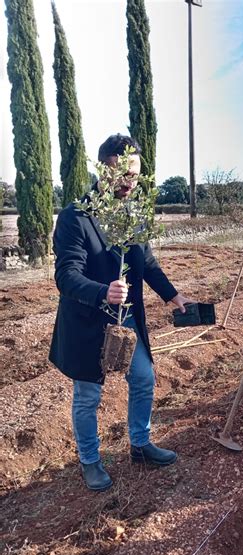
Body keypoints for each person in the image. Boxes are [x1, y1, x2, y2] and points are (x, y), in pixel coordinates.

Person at [49, 134, 190, 491]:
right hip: (88, 318)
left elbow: (149, 263)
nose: (129, 183)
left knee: (143, 377)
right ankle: (90, 461)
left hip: (126, 318)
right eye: (122, 174)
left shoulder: (134, 213)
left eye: (135, 175)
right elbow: (66, 276)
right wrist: (102, 292)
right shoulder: (75, 216)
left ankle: (140, 444)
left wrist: (174, 297)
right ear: (103, 169)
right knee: (88, 395)